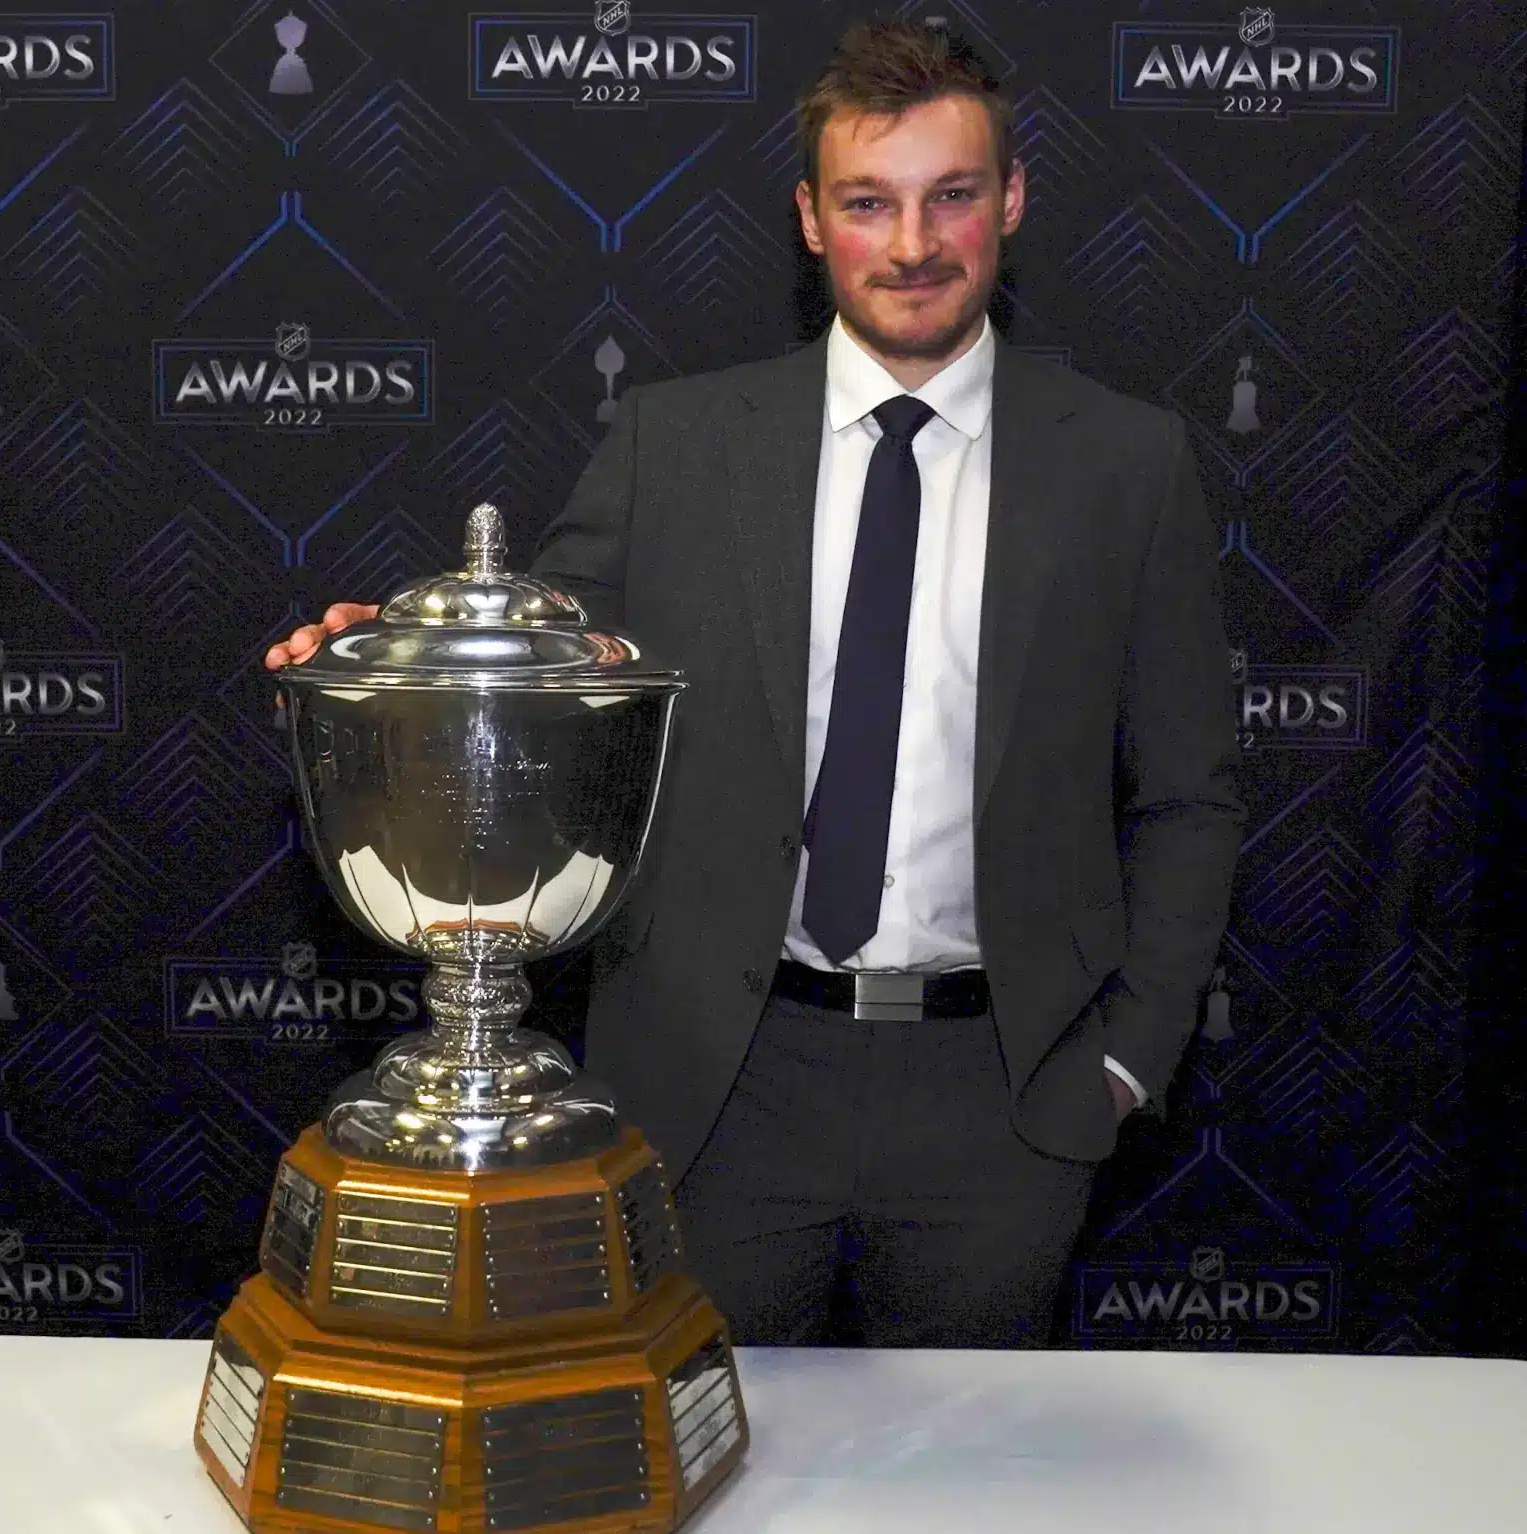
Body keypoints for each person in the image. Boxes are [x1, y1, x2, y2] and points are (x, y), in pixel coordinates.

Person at [266, 20, 1244, 1348]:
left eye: (953, 194)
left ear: (1010, 201)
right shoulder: (673, 445)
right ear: (808, 218)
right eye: (868, 202)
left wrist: (1124, 1064)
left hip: (1004, 1095)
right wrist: (404, 662)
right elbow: (547, 672)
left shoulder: (1131, 466)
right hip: (719, 1081)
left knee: (969, 1485)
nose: (913, 242)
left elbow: (1190, 797)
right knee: (700, 1468)